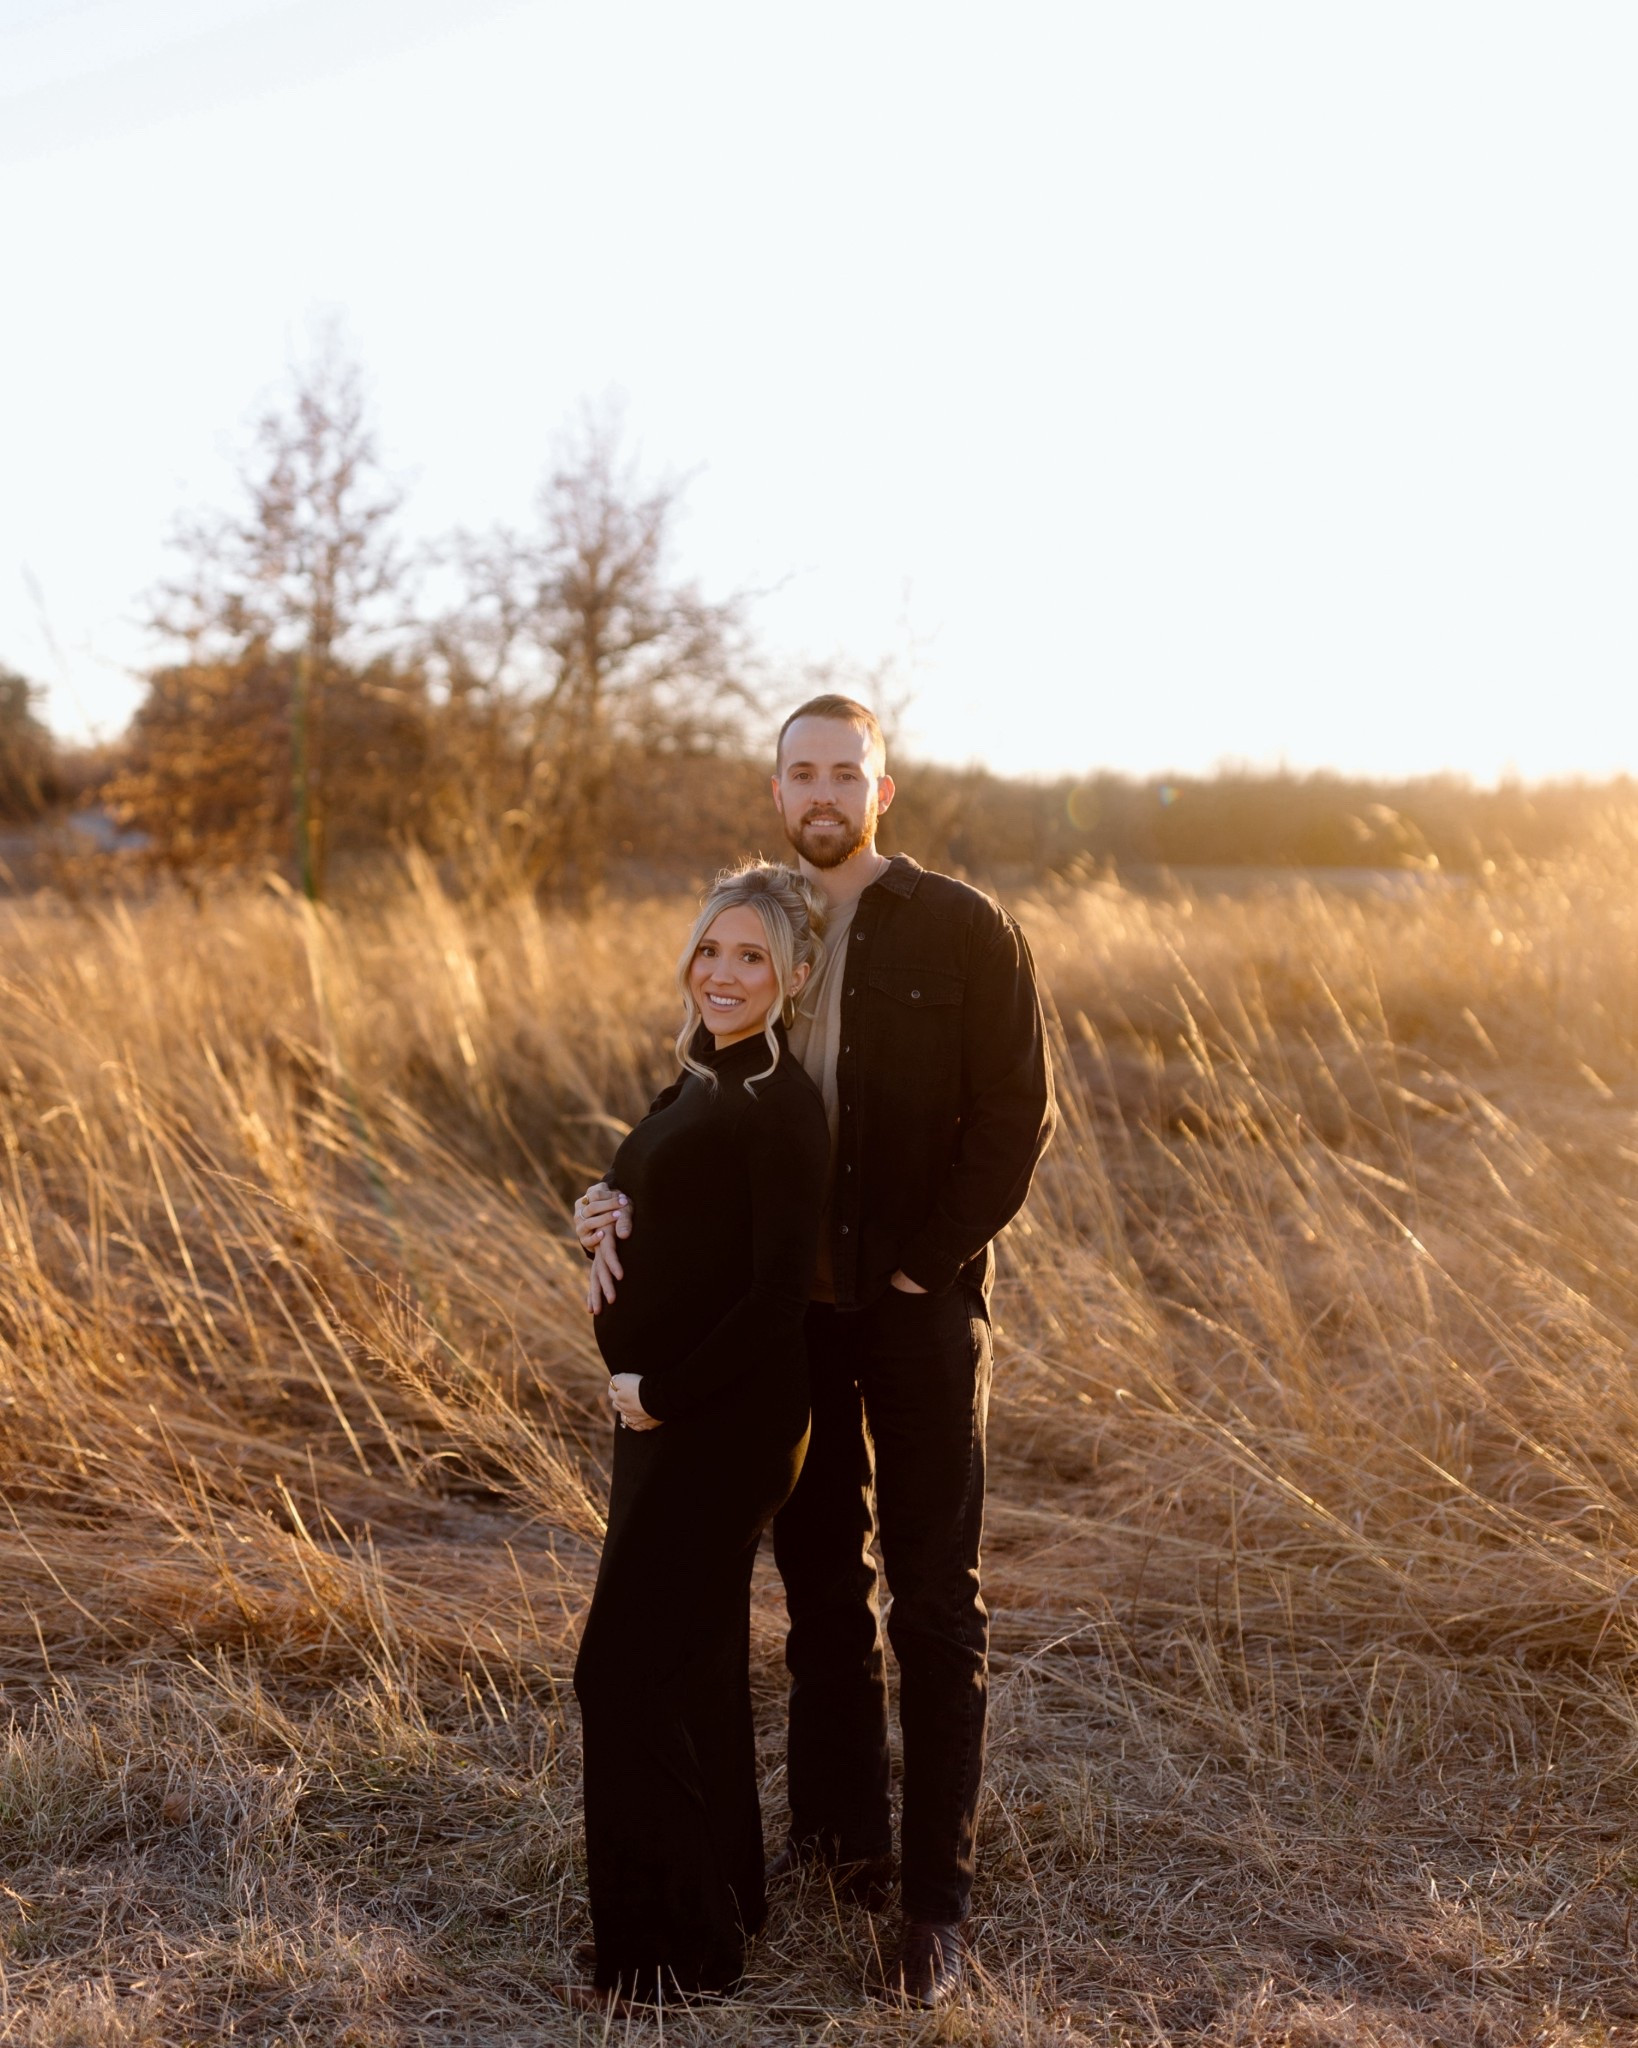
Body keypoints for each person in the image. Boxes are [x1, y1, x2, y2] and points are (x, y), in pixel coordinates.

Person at [576, 697, 1055, 2008]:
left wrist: (919, 1263)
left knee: (934, 1599)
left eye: (847, 770)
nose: (824, 791)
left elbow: (1016, 1114)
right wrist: (611, 1197)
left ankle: (933, 1906)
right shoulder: (766, 918)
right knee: (821, 1593)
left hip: (914, 1315)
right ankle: (840, 1848)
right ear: (778, 790)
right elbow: (708, 1097)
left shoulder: (961, 927)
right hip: (790, 1328)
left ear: (881, 790)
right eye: (803, 772)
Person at [570, 860, 830, 2006]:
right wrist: (599, 1209)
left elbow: (775, 1297)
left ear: (795, 975)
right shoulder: (700, 1074)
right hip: (664, 1415)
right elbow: (672, 1207)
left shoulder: (781, 1104)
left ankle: (672, 1955)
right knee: (696, 1663)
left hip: (720, 1423)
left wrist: (663, 1390)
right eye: (711, 948)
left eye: (753, 955)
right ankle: (726, 1903)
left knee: (618, 1671)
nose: (723, 972)